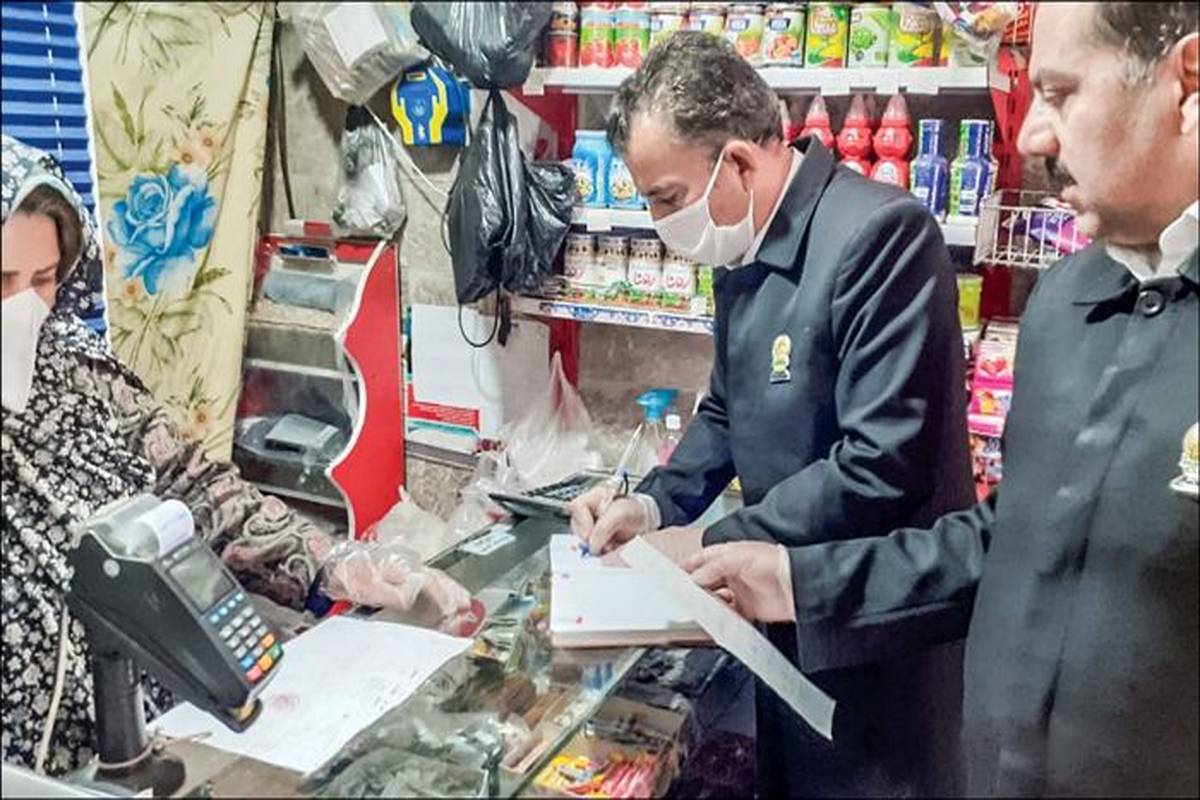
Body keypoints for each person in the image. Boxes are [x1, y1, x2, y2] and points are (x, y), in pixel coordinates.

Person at [686, 3, 1199, 796]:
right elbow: (1008, 545)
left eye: (1060, 93)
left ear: (1187, 84)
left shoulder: (876, 235)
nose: (1032, 136)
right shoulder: (1067, 302)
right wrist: (796, 582)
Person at [568, 32, 973, 796]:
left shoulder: (880, 237)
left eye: (667, 198)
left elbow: (881, 463)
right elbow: (728, 408)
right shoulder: (744, 247)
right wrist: (652, 505)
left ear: (740, 164)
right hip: (775, 617)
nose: (659, 222)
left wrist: (711, 541)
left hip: (867, 634)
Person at [0, 135, 472, 775]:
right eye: (2, 281)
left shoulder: (80, 373)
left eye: (43, 280)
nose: (25, 308)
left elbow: (194, 491)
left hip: (149, 732)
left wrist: (331, 561)